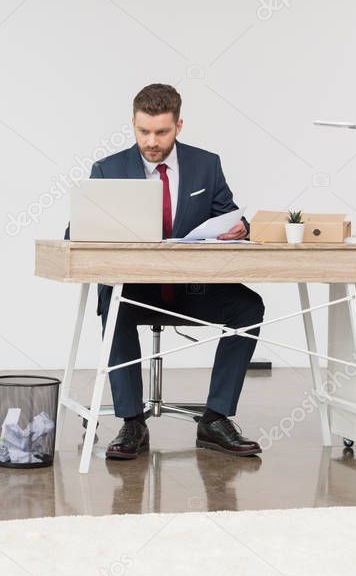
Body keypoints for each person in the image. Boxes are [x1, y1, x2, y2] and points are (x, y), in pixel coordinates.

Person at [87, 83, 265, 460]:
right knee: (111, 298)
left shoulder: (206, 164)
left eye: (162, 132)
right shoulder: (108, 169)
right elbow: (78, 232)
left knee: (248, 306)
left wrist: (241, 227)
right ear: (133, 124)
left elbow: (230, 214)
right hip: (136, 291)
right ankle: (132, 421)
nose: (151, 141)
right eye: (143, 131)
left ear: (178, 126)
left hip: (192, 288)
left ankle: (215, 419)